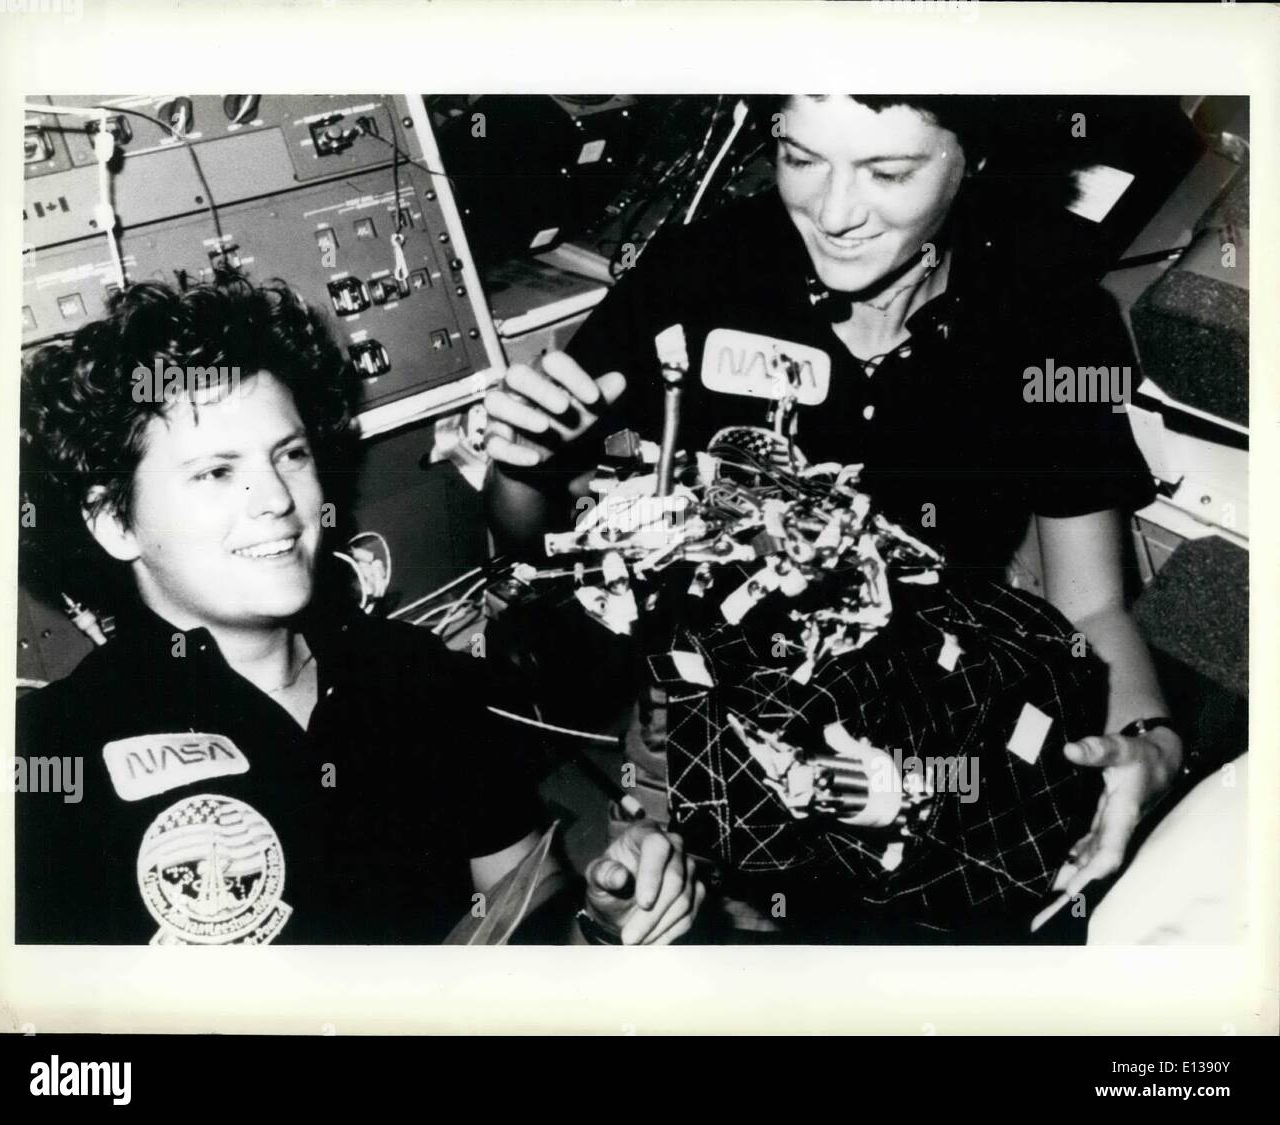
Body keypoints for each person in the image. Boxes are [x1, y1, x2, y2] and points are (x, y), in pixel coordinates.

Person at [482, 94, 1184, 936]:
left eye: (888, 172)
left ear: (978, 158)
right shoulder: (698, 271)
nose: (834, 212)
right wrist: (523, 463)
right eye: (800, 158)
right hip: (707, 738)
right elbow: (528, 543)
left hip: (933, 737)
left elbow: (1090, 607)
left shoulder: (1055, 318)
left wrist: (1154, 744)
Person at [16, 275, 704, 946]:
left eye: (289, 454)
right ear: (114, 521)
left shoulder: (410, 671)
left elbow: (524, 893)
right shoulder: (52, 754)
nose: (277, 500)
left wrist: (604, 922)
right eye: (216, 472)